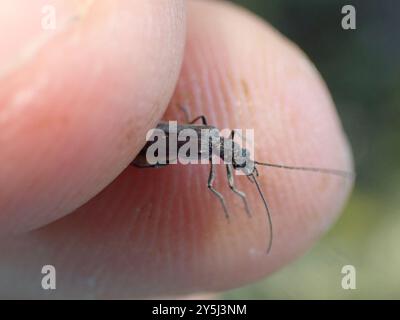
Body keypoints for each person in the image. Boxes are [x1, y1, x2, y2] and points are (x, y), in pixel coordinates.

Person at [0, 0, 353, 298]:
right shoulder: (218, 148)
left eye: (243, 163)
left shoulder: (219, 142)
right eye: (243, 162)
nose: (243, 166)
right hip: (157, 146)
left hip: (161, 145)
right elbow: (218, 183)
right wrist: (237, 196)